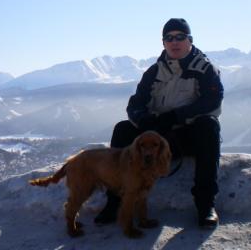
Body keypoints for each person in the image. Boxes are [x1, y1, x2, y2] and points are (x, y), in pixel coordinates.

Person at [95, 18, 223, 229]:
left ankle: (205, 204)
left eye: (180, 37)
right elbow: (135, 104)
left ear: (189, 40)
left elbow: (212, 101)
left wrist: (175, 117)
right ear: (163, 42)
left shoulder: (205, 69)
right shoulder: (154, 72)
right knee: (122, 129)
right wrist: (144, 121)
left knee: (209, 126)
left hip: (187, 136)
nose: (174, 42)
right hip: (157, 137)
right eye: (169, 38)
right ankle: (115, 201)